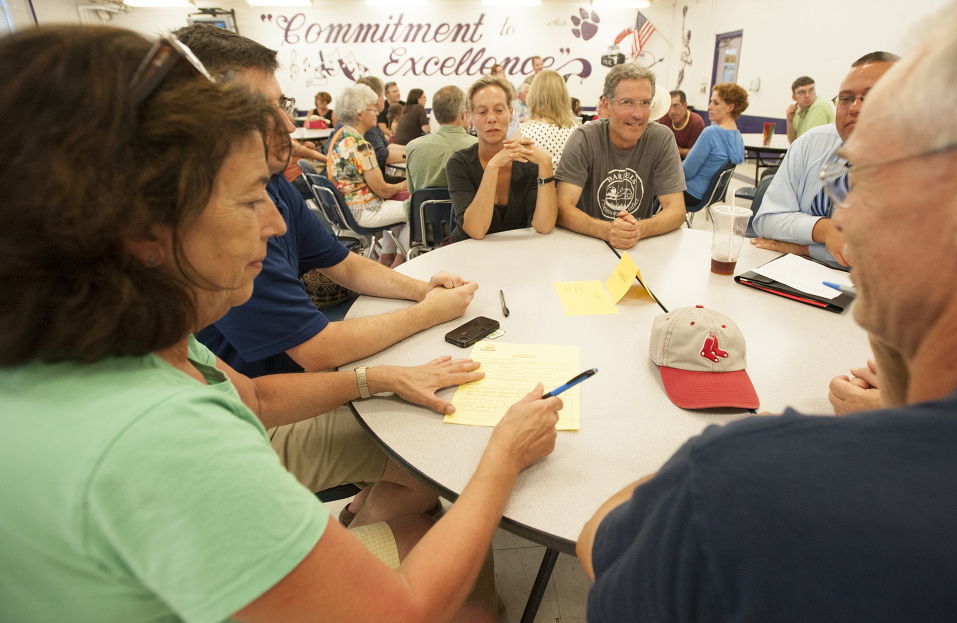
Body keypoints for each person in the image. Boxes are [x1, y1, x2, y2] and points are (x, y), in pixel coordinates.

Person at [0, 25, 563, 623]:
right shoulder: (162, 438)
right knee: (472, 593)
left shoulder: (105, 346)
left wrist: (382, 378)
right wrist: (500, 458)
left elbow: (258, 396)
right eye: (248, 199)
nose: (273, 223)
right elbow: (400, 609)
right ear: (144, 229)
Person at [578, 3, 957, 620]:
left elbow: (605, 549)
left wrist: (733, 458)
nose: (845, 220)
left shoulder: (752, 487)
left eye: (873, 176)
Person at [177, 25, 478, 527]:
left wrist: (422, 290)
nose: (284, 123)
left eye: (280, 104)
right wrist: (425, 316)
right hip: (269, 411)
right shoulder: (215, 228)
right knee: (426, 450)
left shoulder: (271, 184)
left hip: (271, 394)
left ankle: (373, 506)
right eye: (260, 109)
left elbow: (342, 262)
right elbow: (314, 353)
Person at [752, 52, 900, 267]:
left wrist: (803, 248)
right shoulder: (811, 144)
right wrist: (825, 230)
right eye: (847, 99)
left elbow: (888, 259)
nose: (855, 107)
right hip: (796, 277)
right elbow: (767, 220)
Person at [555, 62, 686, 250]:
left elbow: (677, 210)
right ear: (607, 105)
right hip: (584, 245)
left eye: (645, 103)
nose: (638, 113)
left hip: (635, 248)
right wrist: (608, 231)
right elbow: (562, 208)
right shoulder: (584, 138)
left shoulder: (661, 138)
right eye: (627, 102)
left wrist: (638, 230)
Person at [446, 75, 557, 242]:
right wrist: (493, 166)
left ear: (511, 113)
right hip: (467, 255)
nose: (492, 118)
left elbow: (544, 226)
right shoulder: (459, 163)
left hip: (516, 256)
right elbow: (476, 230)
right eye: (482, 112)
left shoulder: (528, 163)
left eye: (499, 110)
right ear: (469, 118)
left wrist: (546, 165)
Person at [328, 83, 410, 267]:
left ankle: (386, 257)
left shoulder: (340, 136)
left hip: (345, 210)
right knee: (414, 207)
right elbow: (382, 190)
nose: (376, 113)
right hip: (365, 211)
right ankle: (400, 262)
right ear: (359, 113)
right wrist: (402, 185)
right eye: (372, 109)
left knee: (400, 207)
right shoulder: (361, 145)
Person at [405, 85, 477, 216]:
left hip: (424, 229)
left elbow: (412, 192)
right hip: (468, 229)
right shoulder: (479, 147)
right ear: (465, 115)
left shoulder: (413, 147)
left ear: (437, 116)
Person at [681, 82, 746, 206]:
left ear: (730, 107)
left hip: (690, 192)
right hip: (711, 195)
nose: (709, 107)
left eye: (716, 103)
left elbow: (687, 171)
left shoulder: (711, 133)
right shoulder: (737, 136)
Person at [516, 69, 578, 169]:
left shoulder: (523, 133)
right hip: (567, 184)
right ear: (564, 95)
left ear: (533, 95)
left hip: (538, 184)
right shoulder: (576, 131)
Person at [785, 76, 835, 143]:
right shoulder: (796, 111)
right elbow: (793, 143)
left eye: (811, 90)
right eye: (802, 92)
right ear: (794, 97)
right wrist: (790, 121)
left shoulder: (819, 106)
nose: (807, 95)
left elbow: (812, 143)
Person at [659, 89, 705, 159]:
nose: (672, 111)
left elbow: (694, 154)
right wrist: (682, 150)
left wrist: (672, 148)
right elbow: (660, 146)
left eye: (676, 106)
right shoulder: (664, 118)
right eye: (669, 107)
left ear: (685, 105)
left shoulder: (696, 123)